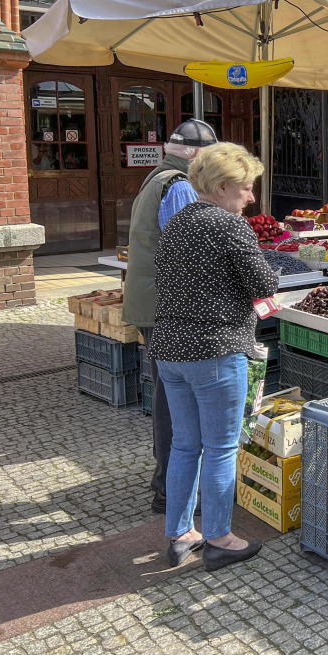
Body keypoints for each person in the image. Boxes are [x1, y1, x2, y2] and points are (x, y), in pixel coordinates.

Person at [150, 142, 278, 571]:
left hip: (170, 350)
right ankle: (221, 537)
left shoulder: (179, 220)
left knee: (185, 445)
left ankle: (180, 534)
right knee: (221, 448)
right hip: (215, 352)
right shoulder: (229, 226)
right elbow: (263, 282)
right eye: (246, 188)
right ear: (224, 186)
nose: (251, 197)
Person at [122, 119, 218, 516]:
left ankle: (169, 483)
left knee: (169, 393)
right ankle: (169, 489)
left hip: (155, 302)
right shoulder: (178, 184)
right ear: (196, 156)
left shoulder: (157, 176)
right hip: (167, 308)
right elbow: (187, 255)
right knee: (176, 399)